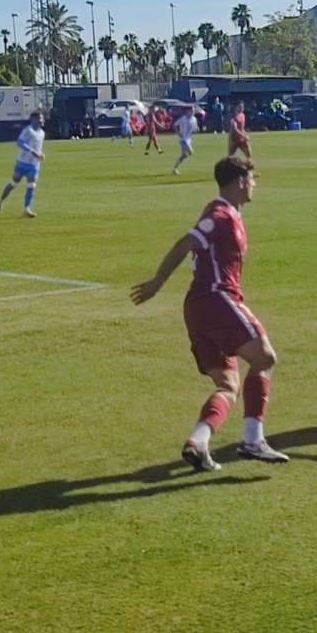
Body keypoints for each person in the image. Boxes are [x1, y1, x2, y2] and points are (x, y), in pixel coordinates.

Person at [130, 156, 288, 471]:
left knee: (228, 384)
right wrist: (158, 282)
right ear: (240, 181)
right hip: (215, 299)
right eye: (252, 179)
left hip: (199, 308)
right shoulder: (221, 215)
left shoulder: (225, 213)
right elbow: (185, 243)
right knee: (265, 358)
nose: (255, 184)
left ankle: (198, 442)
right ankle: (253, 441)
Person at [0, 110, 46, 218]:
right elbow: (20, 142)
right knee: (14, 183)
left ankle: (26, 209)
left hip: (34, 164)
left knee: (32, 185)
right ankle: (1, 200)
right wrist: (32, 151)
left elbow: (37, 147)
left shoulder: (42, 133)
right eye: (40, 118)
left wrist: (40, 153)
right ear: (33, 119)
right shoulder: (28, 130)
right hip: (22, 162)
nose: (42, 120)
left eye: (42, 118)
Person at [172, 105, 199, 175]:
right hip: (183, 139)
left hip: (189, 139)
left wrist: (196, 129)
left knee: (184, 155)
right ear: (188, 111)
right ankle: (177, 164)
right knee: (190, 152)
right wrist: (178, 133)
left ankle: (176, 167)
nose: (193, 112)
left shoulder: (194, 119)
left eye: (194, 111)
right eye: (192, 111)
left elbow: (195, 128)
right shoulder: (183, 118)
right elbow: (174, 125)